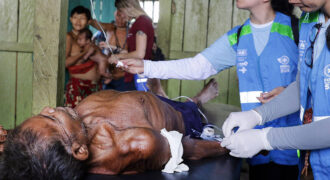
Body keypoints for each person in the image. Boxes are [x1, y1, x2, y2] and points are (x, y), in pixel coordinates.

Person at [121, 0, 300, 180]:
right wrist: (147, 67)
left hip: (292, 143)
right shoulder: (240, 36)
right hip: (254, 145)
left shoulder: (296, 30)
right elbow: (197, 66)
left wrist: (290, 92)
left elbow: (314, 82)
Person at [220, 0, 330, 179]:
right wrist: (257, 116)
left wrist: (266, 138)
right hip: (314, 167)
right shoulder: (310, 21)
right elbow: (302, 85)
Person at [0, 80, 227, 180]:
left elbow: (31, 148)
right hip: (177, 117)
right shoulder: (136, 143)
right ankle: (197, 101)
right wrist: (229, 146)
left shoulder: (63, 136)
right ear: (79, 151)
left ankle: (162, 94)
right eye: (51, 119)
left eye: (43, 113)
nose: (49, 108)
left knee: (157, 99)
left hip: (143, 102)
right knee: (190, 109)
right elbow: (190, 148)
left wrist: (8, 138)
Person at [108, 0, 155, 91]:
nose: (122, 16)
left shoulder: (141, 22)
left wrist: (118, 56)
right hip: (135, 73)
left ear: (128, 7)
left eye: (121, 11)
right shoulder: (141, 22)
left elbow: (140, 54)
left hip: (139, 75)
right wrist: (124, 54)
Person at [65, 6, 102, 108]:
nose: (78, 21)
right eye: (75, 17)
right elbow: (65, 63)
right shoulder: (69, 37)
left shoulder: (89, 37)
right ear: (70, 19)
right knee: (76, 119)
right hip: (78, 86)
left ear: (88, 21)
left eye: (82, 18)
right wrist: (84, 52)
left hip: (94, 86)